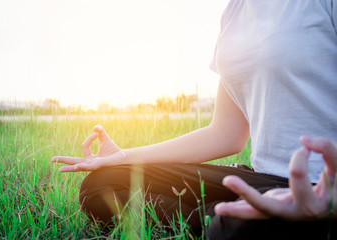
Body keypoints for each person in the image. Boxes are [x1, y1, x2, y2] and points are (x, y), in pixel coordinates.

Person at [52, 0, 337, 239]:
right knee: (103, 184)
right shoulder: (235, 12)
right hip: (262, 178)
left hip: (323, 187)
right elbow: (225, 133)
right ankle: (224, 217)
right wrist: (124, 155)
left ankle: (227, 220)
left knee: (236, 230)